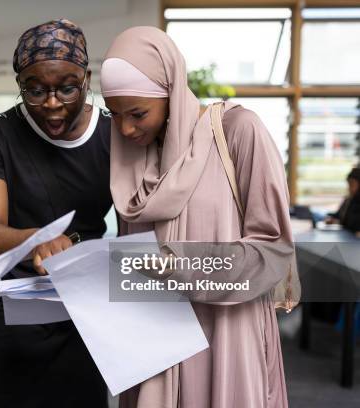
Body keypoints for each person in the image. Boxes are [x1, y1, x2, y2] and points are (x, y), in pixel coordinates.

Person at [100, 27, 298, 408]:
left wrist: (182, 266)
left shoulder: (238, 131)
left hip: (225, 336)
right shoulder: (132, 160)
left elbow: (272, 253)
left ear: (170, 92)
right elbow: (136, 257)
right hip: (154, 342)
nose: (125, 129)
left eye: (138, 113)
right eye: (115, 114)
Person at [0, 19, 111, 408]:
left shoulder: (112, 135)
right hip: (17, 306)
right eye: (35, 90)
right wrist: (38, 240)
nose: (51, 103)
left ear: (86, 78)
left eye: (67, 87)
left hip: (83, 304)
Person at [325, 167, 360, 232]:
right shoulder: (349, 199)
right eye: (348, 184)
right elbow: (339, 215)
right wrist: (331, 217)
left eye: (352, 184)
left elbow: (353, 223)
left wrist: (338, 221)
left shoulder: (356, 201)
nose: (349, 188)